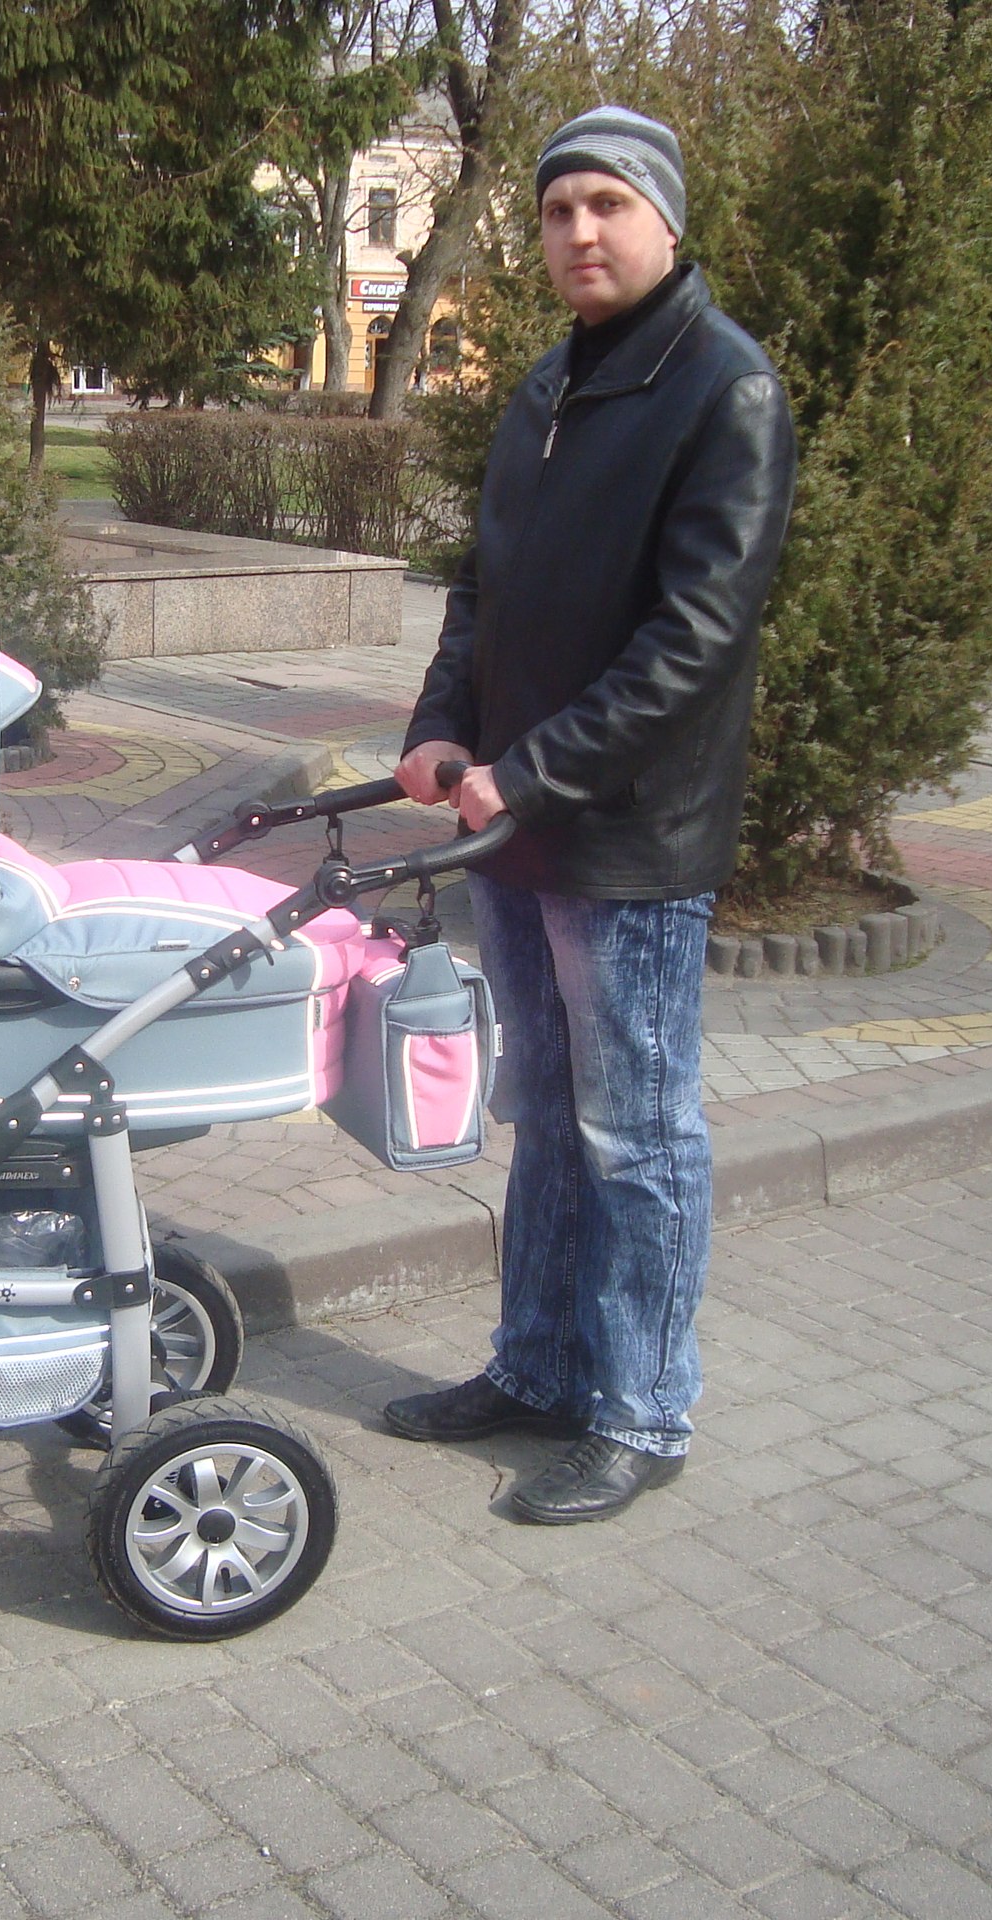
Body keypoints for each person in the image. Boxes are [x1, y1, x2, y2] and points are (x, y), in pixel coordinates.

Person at [381, 105, 797, 1524]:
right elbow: (482, 588)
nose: (579, 232)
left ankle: (641, 1411)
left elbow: (696, 643)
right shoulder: (549, 386)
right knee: (547, 1118)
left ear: (667, 221)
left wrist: (535, 768)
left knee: (637, 1134)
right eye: (559, 210)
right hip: (512, 825)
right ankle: (540, 1366)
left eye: (608, 205)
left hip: (625, 839)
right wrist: (442, 723)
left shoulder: (724, 391)